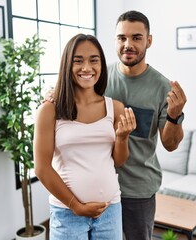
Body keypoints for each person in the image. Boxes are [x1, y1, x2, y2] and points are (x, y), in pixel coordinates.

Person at [44, 10, 187, 240]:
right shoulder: (99, 75)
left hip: (137, 190)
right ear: (115, 40)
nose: (128, 44)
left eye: (137, 38)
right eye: (122, 38)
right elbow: (73, 89)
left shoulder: (162, 87)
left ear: (149, 41)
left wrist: (174, 116)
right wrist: (54, 92)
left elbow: (170, 144)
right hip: (96, 191)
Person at [33, 33, 136, 240]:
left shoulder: (114, 107)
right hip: (67, 212)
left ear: (102, 65)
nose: (87, 68)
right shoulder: (50, 110)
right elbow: (42, 168)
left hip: (110, 209)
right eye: (78, 61)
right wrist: (76, 206)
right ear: (67, 66)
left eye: (94, 60)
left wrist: (123, 137)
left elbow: (119, 161)